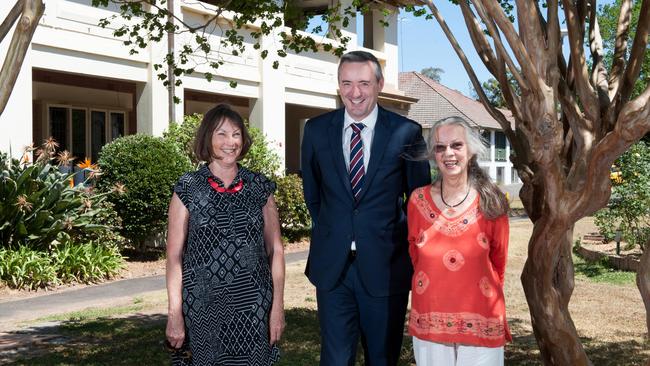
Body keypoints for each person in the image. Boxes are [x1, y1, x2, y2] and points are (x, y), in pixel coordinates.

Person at [301, 50, 431, 365]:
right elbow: (314, 196)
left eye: (363, 83)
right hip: (334, 269)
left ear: (379, 84)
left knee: (382, 358)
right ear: (338, 85)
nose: (355, 93)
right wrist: (338, 233)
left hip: (387, 268)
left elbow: (418, 203)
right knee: (335, 359)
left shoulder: (406, 132)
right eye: (346, 83)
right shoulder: (316, 130)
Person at [165, 104, 285, 365]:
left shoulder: (259, 187)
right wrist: (174, 312)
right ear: (207, 138)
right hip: (203, 307)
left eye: (236, 134)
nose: (230, 142)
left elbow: (275, 249)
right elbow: (174, 256)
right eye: (221, 134)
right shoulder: (187, 187)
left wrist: (277, 308)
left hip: (254, 307)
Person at [407, 116, 511, 366]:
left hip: (482, 319)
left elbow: (499, 263)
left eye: (456, 145)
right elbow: (416, 257)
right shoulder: (417, 201)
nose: (448, 153)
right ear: (433, 154)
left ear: (471, 150)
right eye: (440, 147)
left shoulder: (492, 201)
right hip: (430, 319)